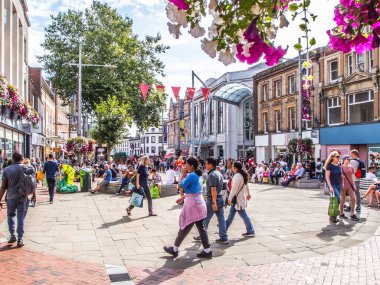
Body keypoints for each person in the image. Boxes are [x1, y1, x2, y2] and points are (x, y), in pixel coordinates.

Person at [163, 157, 211, 259]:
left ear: (191, 166)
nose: (185, 166)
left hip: (193, 205)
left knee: (185, 226)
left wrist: (181, 174)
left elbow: (179, 186)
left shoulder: (192, 175)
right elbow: (195, 190)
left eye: (187, 164)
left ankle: (175, 249)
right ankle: (207, 250)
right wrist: (183, 198)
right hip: (198, 202)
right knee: (201, 228)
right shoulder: (198, 175)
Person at [0, 152, 34, 247]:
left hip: (11, 197)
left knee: (10, 215)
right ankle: (20, 239)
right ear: (22, 159)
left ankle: (12, 235)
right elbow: (32, 182)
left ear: (13, 159)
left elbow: (3, 186)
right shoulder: (27, 167)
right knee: (21, 217)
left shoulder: (6, 170)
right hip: (23, 196)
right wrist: (33, 194)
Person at [194, 157, 229, 244]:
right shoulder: (218, 173)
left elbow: (213, 190)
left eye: (206, 164)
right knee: (221, 219)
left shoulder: (212, 175)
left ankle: (202, 236)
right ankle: (224, 237)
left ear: (210, 164)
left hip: (214, 200)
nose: (205, 165)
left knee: (205, 218)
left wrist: (213, 202)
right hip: (220, 198)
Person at [226, 161, 255, 237]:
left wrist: (229, 198)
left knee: (242, 215)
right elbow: (245, 186)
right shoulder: (242, 175)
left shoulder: (237, 176)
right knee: (231, 216)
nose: (231, 168)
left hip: (237, 200)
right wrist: (247, 194)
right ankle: (223, 229)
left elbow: (234, 189)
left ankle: (250, 230)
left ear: (235, 168)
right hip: (239, 199)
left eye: (232, 167)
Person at [324, 151, 342, 223]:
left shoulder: (338, 165)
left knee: (336, 200)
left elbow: (340, 175)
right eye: (337, 156)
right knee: (339, 199)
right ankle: (333, 215)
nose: (338, 158)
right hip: (332, 185)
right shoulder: (329, 166)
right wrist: (330, 186)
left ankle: (333, 216)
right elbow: (327, 177)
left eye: (339, 156)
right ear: (333, 158)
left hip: (339, 184)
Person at [340, 155, 359, 221]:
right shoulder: (341, 167)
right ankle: (341, 213)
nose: (348, 160)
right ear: (344, 160)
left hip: (350, 185)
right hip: (343, 185)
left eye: (349, 159)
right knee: (343, 199)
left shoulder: (351, 167)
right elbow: (340, 177)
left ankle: (352, 213)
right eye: (347, 159)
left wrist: (354, 185)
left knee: (353, 198)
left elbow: (352, 177)